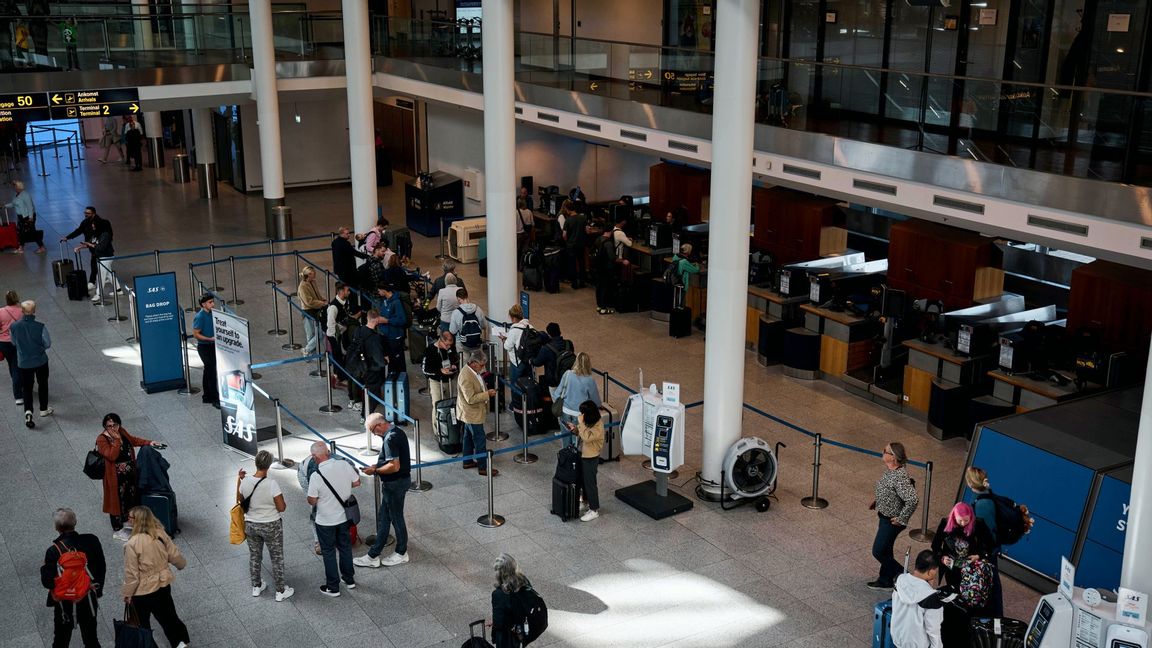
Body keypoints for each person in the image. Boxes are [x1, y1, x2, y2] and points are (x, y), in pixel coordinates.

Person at [121, 506, 190, 648]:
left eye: (131, 518)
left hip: (142, 591)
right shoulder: (159, 533)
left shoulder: (132, 544)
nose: (128, 520)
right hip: (162, 585)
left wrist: (128, 594)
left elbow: (132, 574)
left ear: (138, 521)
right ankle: (180, 643)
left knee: (142, 624)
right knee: (168, 617)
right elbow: (174, 555)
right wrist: (181, 565)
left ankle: (148, 645)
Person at [932, 502, 997, 646]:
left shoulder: (978, 524)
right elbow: (935, 545)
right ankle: (957, 621)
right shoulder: (945, 523)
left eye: (966, 521)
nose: (962, 523)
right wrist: (942, 557)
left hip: (971, 570)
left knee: (969, 596)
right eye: (959, 520)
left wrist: (979, 555)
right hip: (952, 568)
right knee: (955, 594)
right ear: (953, 517)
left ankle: (968, 624)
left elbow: (991, 545)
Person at [41, 508, 106, 648]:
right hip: (88, 597)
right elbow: (101, 567)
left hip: (64, 603)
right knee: (91, 640)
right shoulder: (92, 540)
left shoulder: (53, 551)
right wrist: (97, 591)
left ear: (57, 527)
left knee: (60, 641)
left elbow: (47, 582)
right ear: (75, 522)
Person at [354, 414, 412, 568]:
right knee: (384, 517)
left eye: (373, 430)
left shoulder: (390, 439)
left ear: (379, 425)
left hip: (395, 484)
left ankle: (401, 552)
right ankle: (373, 555)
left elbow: (394, 466)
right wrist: (376, 467)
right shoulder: (397, 432)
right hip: (397, 483)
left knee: (396, 518)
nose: (373, 434)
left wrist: (376, 471)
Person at [306, 441, 361, 597]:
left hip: (325, 521)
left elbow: (312, 500)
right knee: (345, 548)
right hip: (344, 517)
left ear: (314, 457)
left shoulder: (316, 476)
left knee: (329, 552)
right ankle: (349, 579)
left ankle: (333, 587)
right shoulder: (343, 465)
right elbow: (357, 482)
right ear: (328, 452)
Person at [238, 450, 294, 602]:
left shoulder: (245, 481)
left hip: (251, 525)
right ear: (268, 465)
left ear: (256, 463)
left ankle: (256, 587)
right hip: (271, 525)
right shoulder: (272, 484)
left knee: (255, 556)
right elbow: (282, 508)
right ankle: (280, 591)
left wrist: (240, 479)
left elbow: (240, 501)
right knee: (277, 558)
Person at [96, 413, 160, 540]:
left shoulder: (122, 431)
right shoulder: (102, 439)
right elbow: (111, 456)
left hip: (129, 476)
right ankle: (118, 529)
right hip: (115, 478)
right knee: (116, 503)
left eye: (115, 425)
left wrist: (149, 442)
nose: (113, 428)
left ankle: (129, 522)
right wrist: (116, 441)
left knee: (130, 499)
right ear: (105, 426)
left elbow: (132, 440)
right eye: (109, 426)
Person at [868, 441, 918, 591]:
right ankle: (885, 580)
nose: (882, 452)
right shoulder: (891, 470)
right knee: (886, 549)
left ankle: (908, 579)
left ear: (893, 457)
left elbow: (912, 499)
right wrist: (878, 501)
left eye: (885, 451)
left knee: (878, 551)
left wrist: (902, 518)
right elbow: (888, 489)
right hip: (884, 515)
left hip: (892, 521)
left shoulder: (899, 477)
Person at [965, 466, 1004, 616]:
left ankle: (995, 617)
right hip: (985, 549)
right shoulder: (982, 495)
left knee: (991, 582)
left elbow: (989, 534)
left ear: (970, 483)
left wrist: (982, 555)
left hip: (986, 551)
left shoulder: (982, 504)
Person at [891, 550, 946, 648]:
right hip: (917, 643)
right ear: (931, 571)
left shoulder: (899, 579)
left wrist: (929, 587)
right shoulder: (931, 599)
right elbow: (933, 630)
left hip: (898, 637)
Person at [458, 349, 498, 477]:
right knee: (480, 439)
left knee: (468, 437)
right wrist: (487, 394)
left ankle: (467, 461)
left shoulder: (473, 371)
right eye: (481, 365)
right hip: (471, 413)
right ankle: (483, 468)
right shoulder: (466, 376)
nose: (483, 367)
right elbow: (470, 399)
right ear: (474, 363)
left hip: (471, 413)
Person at [11, 299, 51, 428]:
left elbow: (13, 342)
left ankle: (28, 411)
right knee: (42, 384)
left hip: (23, 362)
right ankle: (43, 409)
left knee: (27, 388)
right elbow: (47, 343)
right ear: (34, 311)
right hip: (40, 361)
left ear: (22, 311)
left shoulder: (14, 326)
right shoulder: (40, 326)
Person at [565, 400, 605, 522]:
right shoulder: (588, 421)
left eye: (583, 413)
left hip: (591, 457)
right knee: (582, 481)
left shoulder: (598, 426)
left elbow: (587, 437)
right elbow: (582, 433)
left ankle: (594, 510)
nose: (581, 415)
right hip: (583, 455)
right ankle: (586, 501)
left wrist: (580, 423)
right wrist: (575, 429)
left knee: (590, 483)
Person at [346, 307, 386, 413]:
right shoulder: (374, 338)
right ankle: (365, 415)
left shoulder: (358, 330)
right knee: (372, 394)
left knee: (360, 386)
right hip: (370, 369)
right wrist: (385, 361)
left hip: (358, 365)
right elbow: (379, 359)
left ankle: (355, 402)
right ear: (377, 320)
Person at [62, 206, 112, 287]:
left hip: (101, 249)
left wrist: (88, 245)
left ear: (94, 214)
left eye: (88, 213)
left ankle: (92, 282)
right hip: (93, 247)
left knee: (95, 264)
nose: (85, 215)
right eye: (85, 213)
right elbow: (79, 231)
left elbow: (105, 238)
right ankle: (114, 284)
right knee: (105, 266)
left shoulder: (102, 223)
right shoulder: (85, 222)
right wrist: (68, 237)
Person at [491, 553, 531, 648]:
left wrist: (494, 622)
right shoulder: (524, 581)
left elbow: (499, 623)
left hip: (507, 637)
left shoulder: (498, 594)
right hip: (522, 629)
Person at [75, 217, 116, 303]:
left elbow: (100, 247)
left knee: (100, 276)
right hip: (100, 257)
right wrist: (80, 247)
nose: (92, 227)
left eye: (94, 225)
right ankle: (118, 290)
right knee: (109, 274)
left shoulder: (105, 235)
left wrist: (89, 244)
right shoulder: (96, 234)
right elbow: (91, 243)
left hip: (106, 257)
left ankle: (99, 294)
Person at [555, 352, 600, 429]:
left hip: (565, 411)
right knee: (578, 439)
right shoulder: (589, 380)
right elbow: (595, 400)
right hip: (580, 414)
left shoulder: (567, 374)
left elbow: (557, 393)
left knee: (565, 438)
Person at [325, 282, 355, 389]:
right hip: (335, 336)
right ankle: (338, 379)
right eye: (347, 290)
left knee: (342, 356)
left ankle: (339, 377)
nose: (349, 292)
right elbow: (330, 324)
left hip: (342, 334)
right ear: (341, 291)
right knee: (338, 358)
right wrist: (336, 338)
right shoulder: (333, 307)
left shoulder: (345, 302)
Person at [192, 293, 219, 408]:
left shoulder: (213, 313)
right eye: (210, 302)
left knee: (208, 370)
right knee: (211, 370)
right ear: (203, 304)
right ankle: (214, 398)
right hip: (204, 346)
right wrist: (209, 338)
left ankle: (206, 396)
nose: (213, 304)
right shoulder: (200, 317)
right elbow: (196, 334)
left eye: (213, 302)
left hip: (213, 345)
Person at [5, 180, 46, 254]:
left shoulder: (25, 195)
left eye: (15, 186)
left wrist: (31, 218)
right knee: (20, 232)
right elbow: (13, 204)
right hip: (21, 218)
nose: (14, 188)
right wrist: (5, 206)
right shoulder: (18, 194)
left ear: (18, 187)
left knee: (32, 233)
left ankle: (41, 247)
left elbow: (30, 207)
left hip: (27, 217)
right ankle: (21, 247)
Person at [376, 283, 408, 375]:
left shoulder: (397, 302)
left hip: (395, 337)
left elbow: (402, 320)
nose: (378, 292)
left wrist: (387, 321)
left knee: (398, 360)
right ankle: (393, 379)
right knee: (391, 360)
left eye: (379, 290)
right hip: (387, 336)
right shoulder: (385, 301)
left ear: (384, 290)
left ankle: (401, 379)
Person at [531, 322, 573, 389]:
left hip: (554, 381)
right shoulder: (569, 343)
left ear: (549, 335)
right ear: (560, 331)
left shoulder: (546, 349)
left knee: (556, 398)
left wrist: (531, 359)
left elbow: (537, 362)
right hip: (569, 378)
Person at [422, 330, 459, 406]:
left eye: (450, 345)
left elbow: (455, 359)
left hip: (449, 381)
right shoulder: (430, 350)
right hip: (436, 381)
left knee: (450, 405)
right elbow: (425, 369)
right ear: (441, 340)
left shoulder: (451, 347)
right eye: (447, 345)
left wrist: (454, 365)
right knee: (438, 406)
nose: (449, 347)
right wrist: (440, 370)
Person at [297, 266, 328, 356]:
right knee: (311, 334)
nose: (315, 274)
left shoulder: (312, 282)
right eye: (313, 273)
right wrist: (322, 303)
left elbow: (317, 295)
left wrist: (323, 300)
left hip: (315, 310)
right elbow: (309, 302)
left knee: (319, 333)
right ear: (308, 275)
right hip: (308, 312)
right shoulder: (302, 287)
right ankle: (308, 351)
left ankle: (308, 351)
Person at [501, 304, 534, 384]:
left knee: (516, 387)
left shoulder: (514, 330)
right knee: (528, 385)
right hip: (529, 361)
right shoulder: (530, 326)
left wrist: (504, 340)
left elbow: (507, 346)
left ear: (514, 318)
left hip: (517, 363)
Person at [449, 288, 488, 352]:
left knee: (464, 361)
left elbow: (452, 331)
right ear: (467, 296)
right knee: (476, 361)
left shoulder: (456, 313)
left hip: (462, 344)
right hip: (476, 343)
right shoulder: (478, 309)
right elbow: (484, 325)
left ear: (458, 299)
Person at [0, 290, 22, 406]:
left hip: (3, 343)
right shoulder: (21, 311)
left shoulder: (1, 311)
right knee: (16, 366)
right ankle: (18, 394)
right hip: (17, 343)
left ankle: (16, 381)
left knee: (11, 364)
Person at [562, 201, 588, 288]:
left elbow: (564, 235)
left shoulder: (568, 220)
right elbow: (586, 231)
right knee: (581, 263)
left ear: (568, 210)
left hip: (571, 245)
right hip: (581, 244)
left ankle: (574, 283)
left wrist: (567, 241)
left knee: (572, 264)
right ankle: (582, 282)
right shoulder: (583, 218)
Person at [593, 229, 618, 315]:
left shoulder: (598, 239)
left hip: (597, 267)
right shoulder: (608, 243)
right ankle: (604, 308)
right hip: (606, 268)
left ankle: (599, 306)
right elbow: (612, 257)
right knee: (605, 287)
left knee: (599, 286)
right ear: (610, 232)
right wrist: (621, 260)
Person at [516, 198, 534, 264]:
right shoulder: (529, 212)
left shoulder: (516, 213)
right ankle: (523, 265)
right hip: (527, 234)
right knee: (525, 251)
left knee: (517, 250)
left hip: (518, 234)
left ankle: (517, 265)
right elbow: (533, 224)